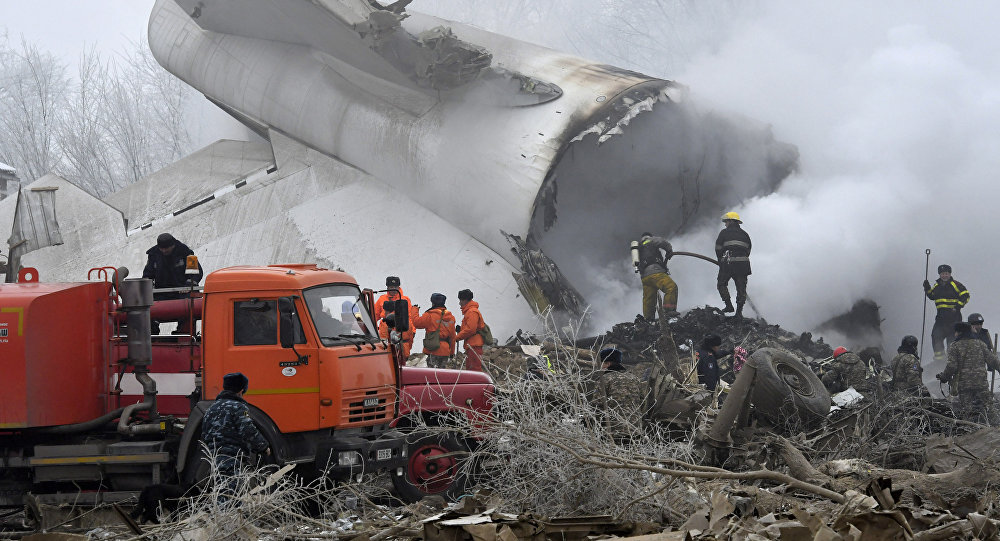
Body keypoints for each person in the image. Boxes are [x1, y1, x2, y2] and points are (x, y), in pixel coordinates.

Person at [201, 373, 270, 502]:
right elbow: (247, 430)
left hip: (214, 458)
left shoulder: (211, 409)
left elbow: (204, 434)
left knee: (221, 490)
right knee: (231, 495)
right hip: (232, 457)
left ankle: (221, 519)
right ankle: (228, 520)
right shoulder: (238, 407)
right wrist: (263, 446)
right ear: (241, 390)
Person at [937, 321, 1000, 409]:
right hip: (981, 383)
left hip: (965, 386)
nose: (955, 334)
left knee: (968, 411)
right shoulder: (980, 344)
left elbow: (952, 366)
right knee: (989, 408)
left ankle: (969, 422)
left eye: (956, 331)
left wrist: (944, 377)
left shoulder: (954, 346)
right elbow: (993, 361)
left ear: (959, 332)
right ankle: (990, 422)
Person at [924, 264, 970, 362]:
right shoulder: (937, 286)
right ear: (940, 275)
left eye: (946, 273)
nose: (944, 276)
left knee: (952, 342)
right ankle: (939, 360)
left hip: (954, 319)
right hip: (940, 319)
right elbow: (932, 296)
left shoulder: (956, 284)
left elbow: (966, 296)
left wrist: (957, 307)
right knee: (936, 337)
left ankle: (951, 361)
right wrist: (927, 288)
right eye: (942, 274)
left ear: (950, 274)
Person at [597, 348, 645, 434]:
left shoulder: (605, 379)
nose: (600, 366)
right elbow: (642, 402)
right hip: (635, 429)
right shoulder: (635, 379)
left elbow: (597, 405)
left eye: (601, 363)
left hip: (613, 430)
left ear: (608, 363)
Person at [142, 233, 204, 298]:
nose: (164, 250)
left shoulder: (185, 252)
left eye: (166, 248)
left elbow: (196, 273)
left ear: (173, 245)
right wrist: (148, 287)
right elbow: (147, 275)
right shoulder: (154, 255)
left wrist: (189, 285)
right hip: (161, 293)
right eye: (161, 248)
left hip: (184, 291)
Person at [715, 212, 751, 318]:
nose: (725, 224)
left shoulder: (724, 233)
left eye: (726, 222)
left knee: (721, 284)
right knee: (741, 289)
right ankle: (739, 313)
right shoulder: (745, 234)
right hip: (743, 265)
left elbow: (718, 248)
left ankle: (729, 306)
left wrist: (720, 260)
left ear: (730, 221)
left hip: (728, 264)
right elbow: (748, 249)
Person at [633, 232, 677, 321]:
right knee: (671, 287)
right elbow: (661, 241)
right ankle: (669, 311)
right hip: (655, 272)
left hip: (645, 278)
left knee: (649, 299)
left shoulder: (639, 247)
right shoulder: (649, 240)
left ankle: (648, 319)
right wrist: (669, 250)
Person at [413, 293, 457, 368]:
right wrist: (452, 353)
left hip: (433, 349)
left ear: (433, 302)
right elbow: (453, 337)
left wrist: (414, 310)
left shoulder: (430, 315)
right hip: (446, 351)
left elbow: (417, 323)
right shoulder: (451, 317)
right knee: (442, 374)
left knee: (432, 374)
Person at [454, 289, 487, 372]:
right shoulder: (471, 311)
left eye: (461, 300)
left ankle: (478, 385)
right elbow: (471, 328)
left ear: (465, 300)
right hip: (472, 345)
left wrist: (457, 337)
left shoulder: (472, 312)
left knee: (474, 369)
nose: (459, 303)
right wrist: (461, 329)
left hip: (474, 345)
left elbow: (471, 329)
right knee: (471, 369)